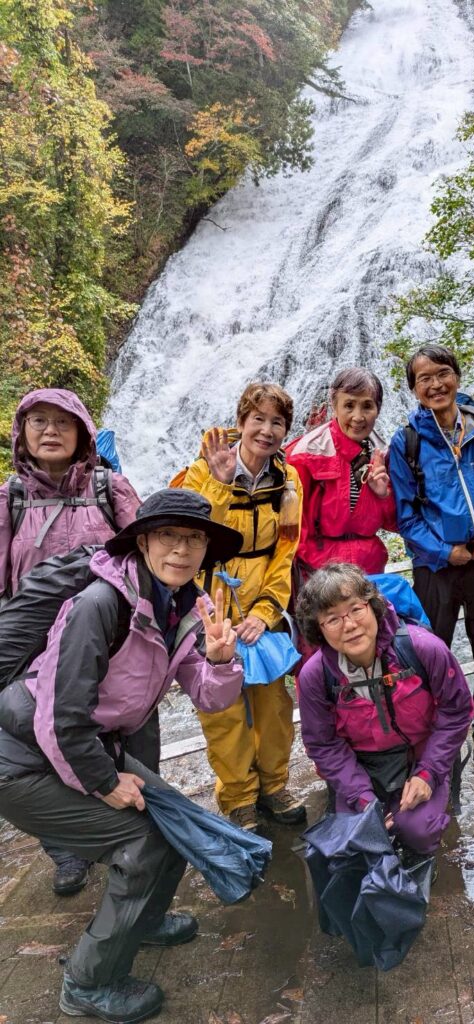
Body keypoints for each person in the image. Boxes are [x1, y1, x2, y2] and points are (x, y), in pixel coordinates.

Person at [0, 488, 245, 1023]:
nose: (180, 550)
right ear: (142, 540)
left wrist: (223, 661)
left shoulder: (181, 605)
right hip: (21, 756)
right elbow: (60, 717)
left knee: (172, 818)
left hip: (85, 745)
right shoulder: (99, 604)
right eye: (168, 536)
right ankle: (89, 982)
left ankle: (142, 921)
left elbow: (208, 695)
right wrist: (105, 783)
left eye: (194, 539)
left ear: (206, 549)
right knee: (144, 843)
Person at [0, 387, 142, 897]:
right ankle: (63, 844)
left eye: (63, 421)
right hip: (33, 646)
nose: (50, 430)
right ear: (23, 434)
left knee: (101, 731)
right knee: (38, 739)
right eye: (38, 421)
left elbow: (151, 551)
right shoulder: (10, 498)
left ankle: (123, 837)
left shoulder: (110, 487)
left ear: (83, 431)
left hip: (105, 638)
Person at [388, 345, 474, 781]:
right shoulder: (405, 442)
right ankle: (432, 749)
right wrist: (446, 551)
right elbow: (406, 516)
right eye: (424, 379)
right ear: (413, 389)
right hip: (437, 567)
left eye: (442, 373)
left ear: (457, 378)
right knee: (428, 657)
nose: (435, 384)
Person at [183, 382, 306, 829]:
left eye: (277, 422)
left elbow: (286, 550)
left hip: (260, 604)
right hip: (209, 603)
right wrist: (217, 484)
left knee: (273, 703)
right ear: (241, 422)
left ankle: (274, 786)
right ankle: (238, 797)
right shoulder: (200, 473)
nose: (267, 430)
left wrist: (266, 611)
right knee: (222, 707)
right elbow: (190, 538)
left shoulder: (288, 482)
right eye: (259, 419)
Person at [295, 563, 474, 859]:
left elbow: (456, 711)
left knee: (417, 830)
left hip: (420, 755)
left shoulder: (423, 648)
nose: (349, 624)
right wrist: (362, 798)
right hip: (360, 764)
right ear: (318, 628)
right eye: (332, 619)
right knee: (361, 838)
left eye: (355, 609)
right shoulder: (316, 676)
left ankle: (424, 849)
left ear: (373, 606)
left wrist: (428, 773)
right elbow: (322, 744)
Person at [285, 367, 397, 579]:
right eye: (349, 405)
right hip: (319, 575)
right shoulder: (305, 454)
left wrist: (384, 496)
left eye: (367, 406)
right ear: (334, 406)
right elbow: (294, 531)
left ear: (378, 409)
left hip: (369, 570)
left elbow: (395, 523)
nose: (358, 417)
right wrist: (322, 575)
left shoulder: (382, 453)